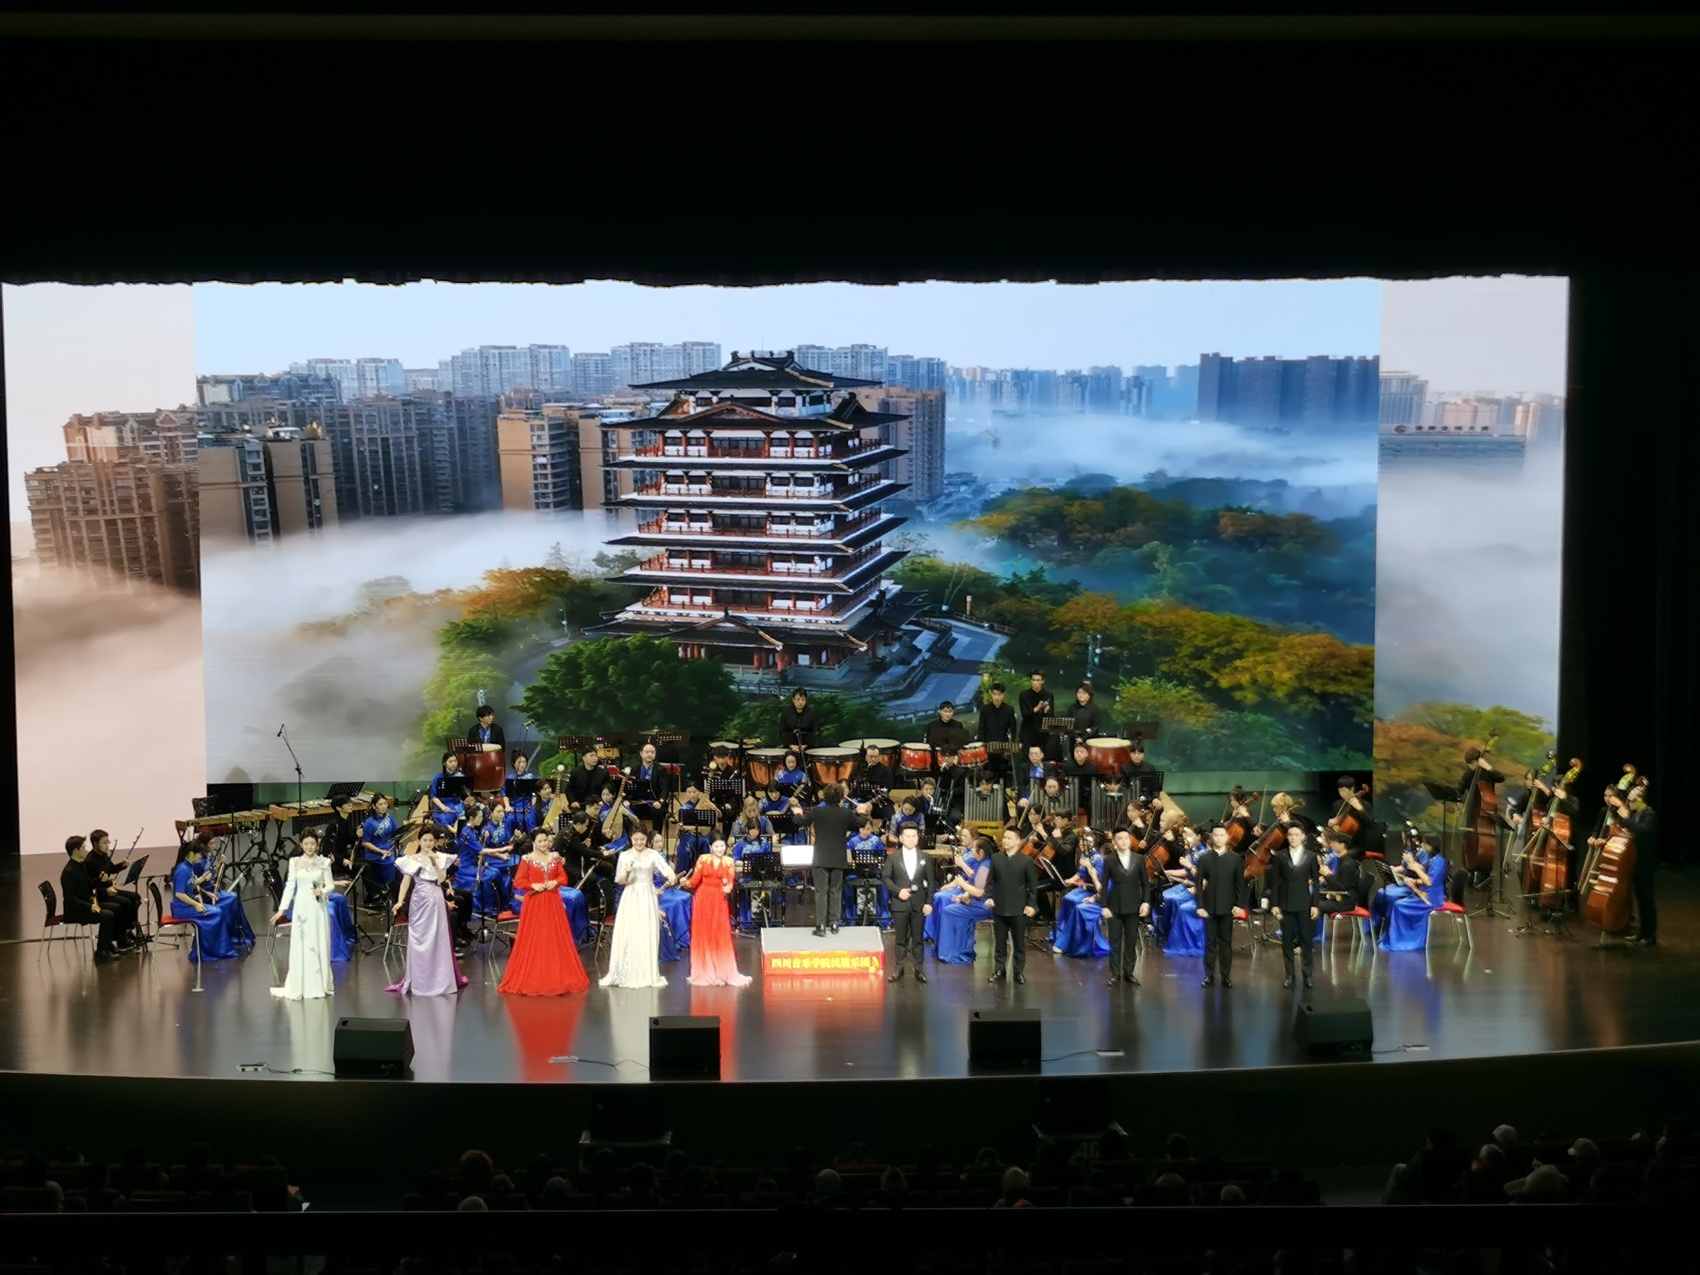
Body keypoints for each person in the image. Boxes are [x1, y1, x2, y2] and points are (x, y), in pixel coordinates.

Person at [498, 834, 590, 996]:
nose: (543, 844)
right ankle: (535, 975)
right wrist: (532, 885)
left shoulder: (554, 858)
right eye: (539, 841)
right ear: (534, 842)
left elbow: (563, 877)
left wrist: (556, 882)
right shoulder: (527, 860)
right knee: (535, 936)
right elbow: (518, 881)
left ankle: (555, 975)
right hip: (534, 902)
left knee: (553, 936)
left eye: (545, 841)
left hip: (553, 901)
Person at [388, 827, 467, 996]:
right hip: (419, 901)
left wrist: (434, 863)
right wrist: (400, 901)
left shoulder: (441, 857)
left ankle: (439, 980)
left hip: (436, 899)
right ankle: (420, 980)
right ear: (419, 841)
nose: (428, 843)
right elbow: (405, 882)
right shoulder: (411, 859)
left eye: (431, 840)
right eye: (425, 840)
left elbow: (441, 879)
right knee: (419, 938)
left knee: (438, 938)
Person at [599, 829, 676, 989]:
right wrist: (627, 873)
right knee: (631, 931)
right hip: (631, 894)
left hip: (648, 894)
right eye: (636, 839)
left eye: (642, 839)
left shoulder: (653, 854)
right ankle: (627, 971)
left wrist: (671, 875)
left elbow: (665, 868)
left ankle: (647, 972)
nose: (639, 842)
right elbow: (620, 880)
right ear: (631, 839)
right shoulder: (625, 855)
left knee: (647, 930)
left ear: (647, 839)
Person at [790, 784, 869, 936]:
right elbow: (861, 824)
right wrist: (861, 812)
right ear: (841, 797)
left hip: (821, 857)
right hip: (838, 858)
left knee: (821, 892)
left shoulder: (817, 811)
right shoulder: (846, 813)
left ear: (825, 796)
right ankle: (834, 924)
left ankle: (820, 926)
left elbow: (799, 822)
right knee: (835, 891)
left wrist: (798, 813)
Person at [269, 832, 335, 1001]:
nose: (309, 847)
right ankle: (302, 984)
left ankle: (319, 984)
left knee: (318, 941)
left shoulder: (324, 862)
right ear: (301, 844)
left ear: (317, 844)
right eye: (306, 844)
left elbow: (331, 885)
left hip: (318, 908)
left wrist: (322, 890)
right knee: (302, 942)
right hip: (301, 908)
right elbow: (290, 886)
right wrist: (282, 909)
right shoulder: (294, 862)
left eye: (312, 843)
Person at [681, 837, 750, 987]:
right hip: (703, 898)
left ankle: (721, 972)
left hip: (719, 899)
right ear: (711, 847)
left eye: (722, 846)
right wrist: (686, 883)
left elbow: (730, 881)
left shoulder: (729, 862)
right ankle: (705, 971)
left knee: (719, 933)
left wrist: (728, 888)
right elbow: (694, 880)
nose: (719, 849)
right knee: (704, 933)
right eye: (716, 846)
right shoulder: (703, 859)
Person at [171, 838, 242, 961]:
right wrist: (196, 904)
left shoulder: (189, 867)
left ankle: (217, 949)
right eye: (198, 854)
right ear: (191, 854)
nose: (200, 856)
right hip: (181, 908)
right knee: (216, 913)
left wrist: (206, 893)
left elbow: (192, 885)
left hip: (187, 906)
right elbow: (179, 894)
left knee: (217, 910)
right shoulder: (183, 870)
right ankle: (209, 951)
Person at [881, 823, 935, 983]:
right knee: (900, 938)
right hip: (900, 903)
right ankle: (899, 969)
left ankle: (919, 969)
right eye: (908, 836)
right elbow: (885, 877)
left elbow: (931, 882)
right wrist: (898, 891)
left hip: (919, 903)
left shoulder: (925, 857)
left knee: (918, 939)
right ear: (901, 838)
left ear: (918, 838)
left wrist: (929, 902)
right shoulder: (893, 857)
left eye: (914, 836)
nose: (911, 839)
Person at [1270, 823, 1321, 990]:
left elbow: (1316, 882)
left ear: (1303, 837)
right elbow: (1274, 882)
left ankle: (1308, 976)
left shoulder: (1311, 856)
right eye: (1290, 835)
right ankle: (1290, 976)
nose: (1293, 838)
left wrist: (1315, 904)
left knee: (1306, 940)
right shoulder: (1279, 855)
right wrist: (1274, 903)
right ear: (1287, 837)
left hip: (1304, 903)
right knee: (1287, 941)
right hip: (1285, 903)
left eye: (1296, 835)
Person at [61, 835, 128, 962]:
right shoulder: (69, 872)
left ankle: (108, 944)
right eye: (83, 848)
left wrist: (99, 879)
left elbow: (89, 885)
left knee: (117, 908)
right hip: (77, 911)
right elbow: (69, 898)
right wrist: (89, 906)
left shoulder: (81, 865)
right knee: (108, 915)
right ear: (75, 851)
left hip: (87, 905)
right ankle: (101, 952)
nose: (86, 850)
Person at [1195, 823, 1246, 988]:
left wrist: (1239, 905)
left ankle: (1226, 976)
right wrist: (1200, 906)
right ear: (1211, 837)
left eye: (1221, 835)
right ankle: (1209, 975)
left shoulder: (1235, 859)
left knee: (1226, 943)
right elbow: (1198, 884)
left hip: (1227, 907)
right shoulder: (1204, 858)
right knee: (1210, 943)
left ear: (1227, 837)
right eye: (1215, 835)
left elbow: (1240, 884)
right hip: (1209, 907)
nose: (1218, 838)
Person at [929, 835, 993, 963]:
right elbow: (975, 886)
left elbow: (979, 892)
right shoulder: (983, 863)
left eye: (974, 848)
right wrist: (963, 897)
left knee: (948, 911)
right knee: (950, 908)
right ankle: (951, 950)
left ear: (980, 851)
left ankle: (952, 952)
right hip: (976, 901)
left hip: (983, 905)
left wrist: (961, 884)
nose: (972, 849)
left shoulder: (984, 867)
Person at [987, 827, 1039, 983]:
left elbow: (1032, 886)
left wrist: (1031, 905)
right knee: (1000, 942)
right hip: (1000, 906)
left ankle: (1018, 972)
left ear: (1018, 841)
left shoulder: (1026, 861)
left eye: (1009, 838)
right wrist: (989, 897)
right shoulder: (996, 858)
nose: (1005, 840)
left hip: (1018, 908)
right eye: (1004, 837)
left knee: (1019, 943)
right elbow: (990, 881)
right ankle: (999, 970)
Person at [1374, 840, 1446, 951]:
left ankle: (1401, 940)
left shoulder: (1439, 861)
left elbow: (1429, 882)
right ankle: (1393, 935)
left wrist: (1415, 868)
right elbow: (1425, 875)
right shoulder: (1432, 858)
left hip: (1431, 897)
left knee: (1398, 905)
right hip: (1423, 892)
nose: (1421, 845)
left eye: (1424, 843)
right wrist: (1415, 879)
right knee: (1394, 902)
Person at [1100, 827, 1151, 986]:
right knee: (1114, 941)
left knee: (1131, 941)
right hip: (1114, 906)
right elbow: (1103, 884)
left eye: (1126, 838)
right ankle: (1115, 973)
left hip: (1134, 905)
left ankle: (1129, 972)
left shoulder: (1139, 859)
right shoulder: (1109, 860)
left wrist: (1146, 902)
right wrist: (1104, 906)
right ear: (1114, 842)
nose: (1123, 841)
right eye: (1120, 838)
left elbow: (1145, 883)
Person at [83, 829, 143, 946]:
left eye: (108, 842)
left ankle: (127, 929)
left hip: (109, 889)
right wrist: (105, 889)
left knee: (135, 897)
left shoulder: (104, 856)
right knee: (125, 903)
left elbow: (111, 869)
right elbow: (90, 884)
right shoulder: (90, 861)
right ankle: (119, 935)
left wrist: (122, 865)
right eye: (104, 843)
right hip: (100, 893)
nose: (107, 845)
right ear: (95, 844)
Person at [360, 794, 400, 908]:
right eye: (380, 804)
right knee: (391, 863)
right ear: (374, 806)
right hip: (375, 853)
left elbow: (396, 834)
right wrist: (380, 851)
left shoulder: (390, 817)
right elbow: (365, 842)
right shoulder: (369, 823)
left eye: (385, 804)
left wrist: (396, 848)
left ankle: (400, 891)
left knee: (403, 860)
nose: (383, 807)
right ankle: (389, 893)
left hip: (390, 849)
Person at [976, 682, 1017, 782]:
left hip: (1003, 747)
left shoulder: (1009, 710)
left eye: (999, 694)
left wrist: (1009, 747)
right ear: (991, 694)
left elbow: (1013, 729)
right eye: (994, 694)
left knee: (1003, 774)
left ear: (1003, 695)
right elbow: (981, 729)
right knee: (989, 775)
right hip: (989, 747)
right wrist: (984, 746)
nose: (996, 697)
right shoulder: (985, 709)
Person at [628, 742, 672, 831]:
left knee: (658, 811)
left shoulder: (661, 770)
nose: (649, 754)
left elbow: (664, 789)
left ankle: (656, 836)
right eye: (647, 752)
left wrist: (660, 801)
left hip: (654, 802)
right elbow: (629, 789)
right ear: (641, 753)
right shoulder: (634, 770)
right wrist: (627, 801)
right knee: (627, 810)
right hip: (638, 802)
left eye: (652, 752)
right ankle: (632, 836)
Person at [1017, 670, 1055, 757]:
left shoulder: (1048, 695)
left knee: (1043, 759)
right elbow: (1025, 715)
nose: (1035, 683)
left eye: (1038, 680)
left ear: (1043, 681)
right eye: (1033, 680)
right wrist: (1036, 709)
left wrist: (1046, 711)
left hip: (1043, 734)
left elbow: (1051, 717)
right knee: (1027, 759)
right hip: (1028, 734)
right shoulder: (1024, 695)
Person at [923, 700, 970, 765]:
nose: (948, 714)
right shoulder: (932, 725)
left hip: (954, 757)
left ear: (953, 711)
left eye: (950, 711)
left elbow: (961, 742)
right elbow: (928, 743)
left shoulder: (958, 725)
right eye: (945, 711)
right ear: (940, 711)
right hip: (937, 758)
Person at [430, 753, 468, 830]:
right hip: (443, 805)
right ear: (444, 763)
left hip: (458, 805)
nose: (454, 764)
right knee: (445, 818)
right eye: (450, 762)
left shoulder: (460, 776)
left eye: (455, 761)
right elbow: (434, 796)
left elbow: (465, 794)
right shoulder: (437, 777)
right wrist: (443, 807)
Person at [565, 746, 606, 810]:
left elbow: (607, 789)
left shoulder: (603, 773)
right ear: (584, 758)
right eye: (591, 756)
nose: (594, 758)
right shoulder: (576, 772)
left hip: (598, 806)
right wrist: (572, 801)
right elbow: (569, 789)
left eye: (595, 756)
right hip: (579, 805)